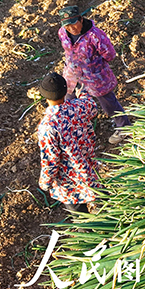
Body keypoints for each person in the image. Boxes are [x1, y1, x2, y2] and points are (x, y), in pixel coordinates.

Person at [58, 4, 130, 145]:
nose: (71, 29)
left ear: (81, 19)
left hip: (95, 76)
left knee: (108, 102)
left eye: (74, 24)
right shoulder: (62, 32)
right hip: (72, 74)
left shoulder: (95, 35)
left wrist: (94, 64)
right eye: (67, 26)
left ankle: (124, 127)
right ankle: (77, 130)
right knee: (69, 101)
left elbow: (110, 54)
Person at [36, 73, 100, 213]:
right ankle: (109, 223)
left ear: (44, 96)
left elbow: (51, 160)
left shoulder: (48, 127)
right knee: (100, 199)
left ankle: (88, 229)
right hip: (89, 167)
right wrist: (81, 91)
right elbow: (92, 106)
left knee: (80, 215)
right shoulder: (78, 107)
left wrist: (45, 183)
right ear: (66, 91)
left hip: (68, 181)